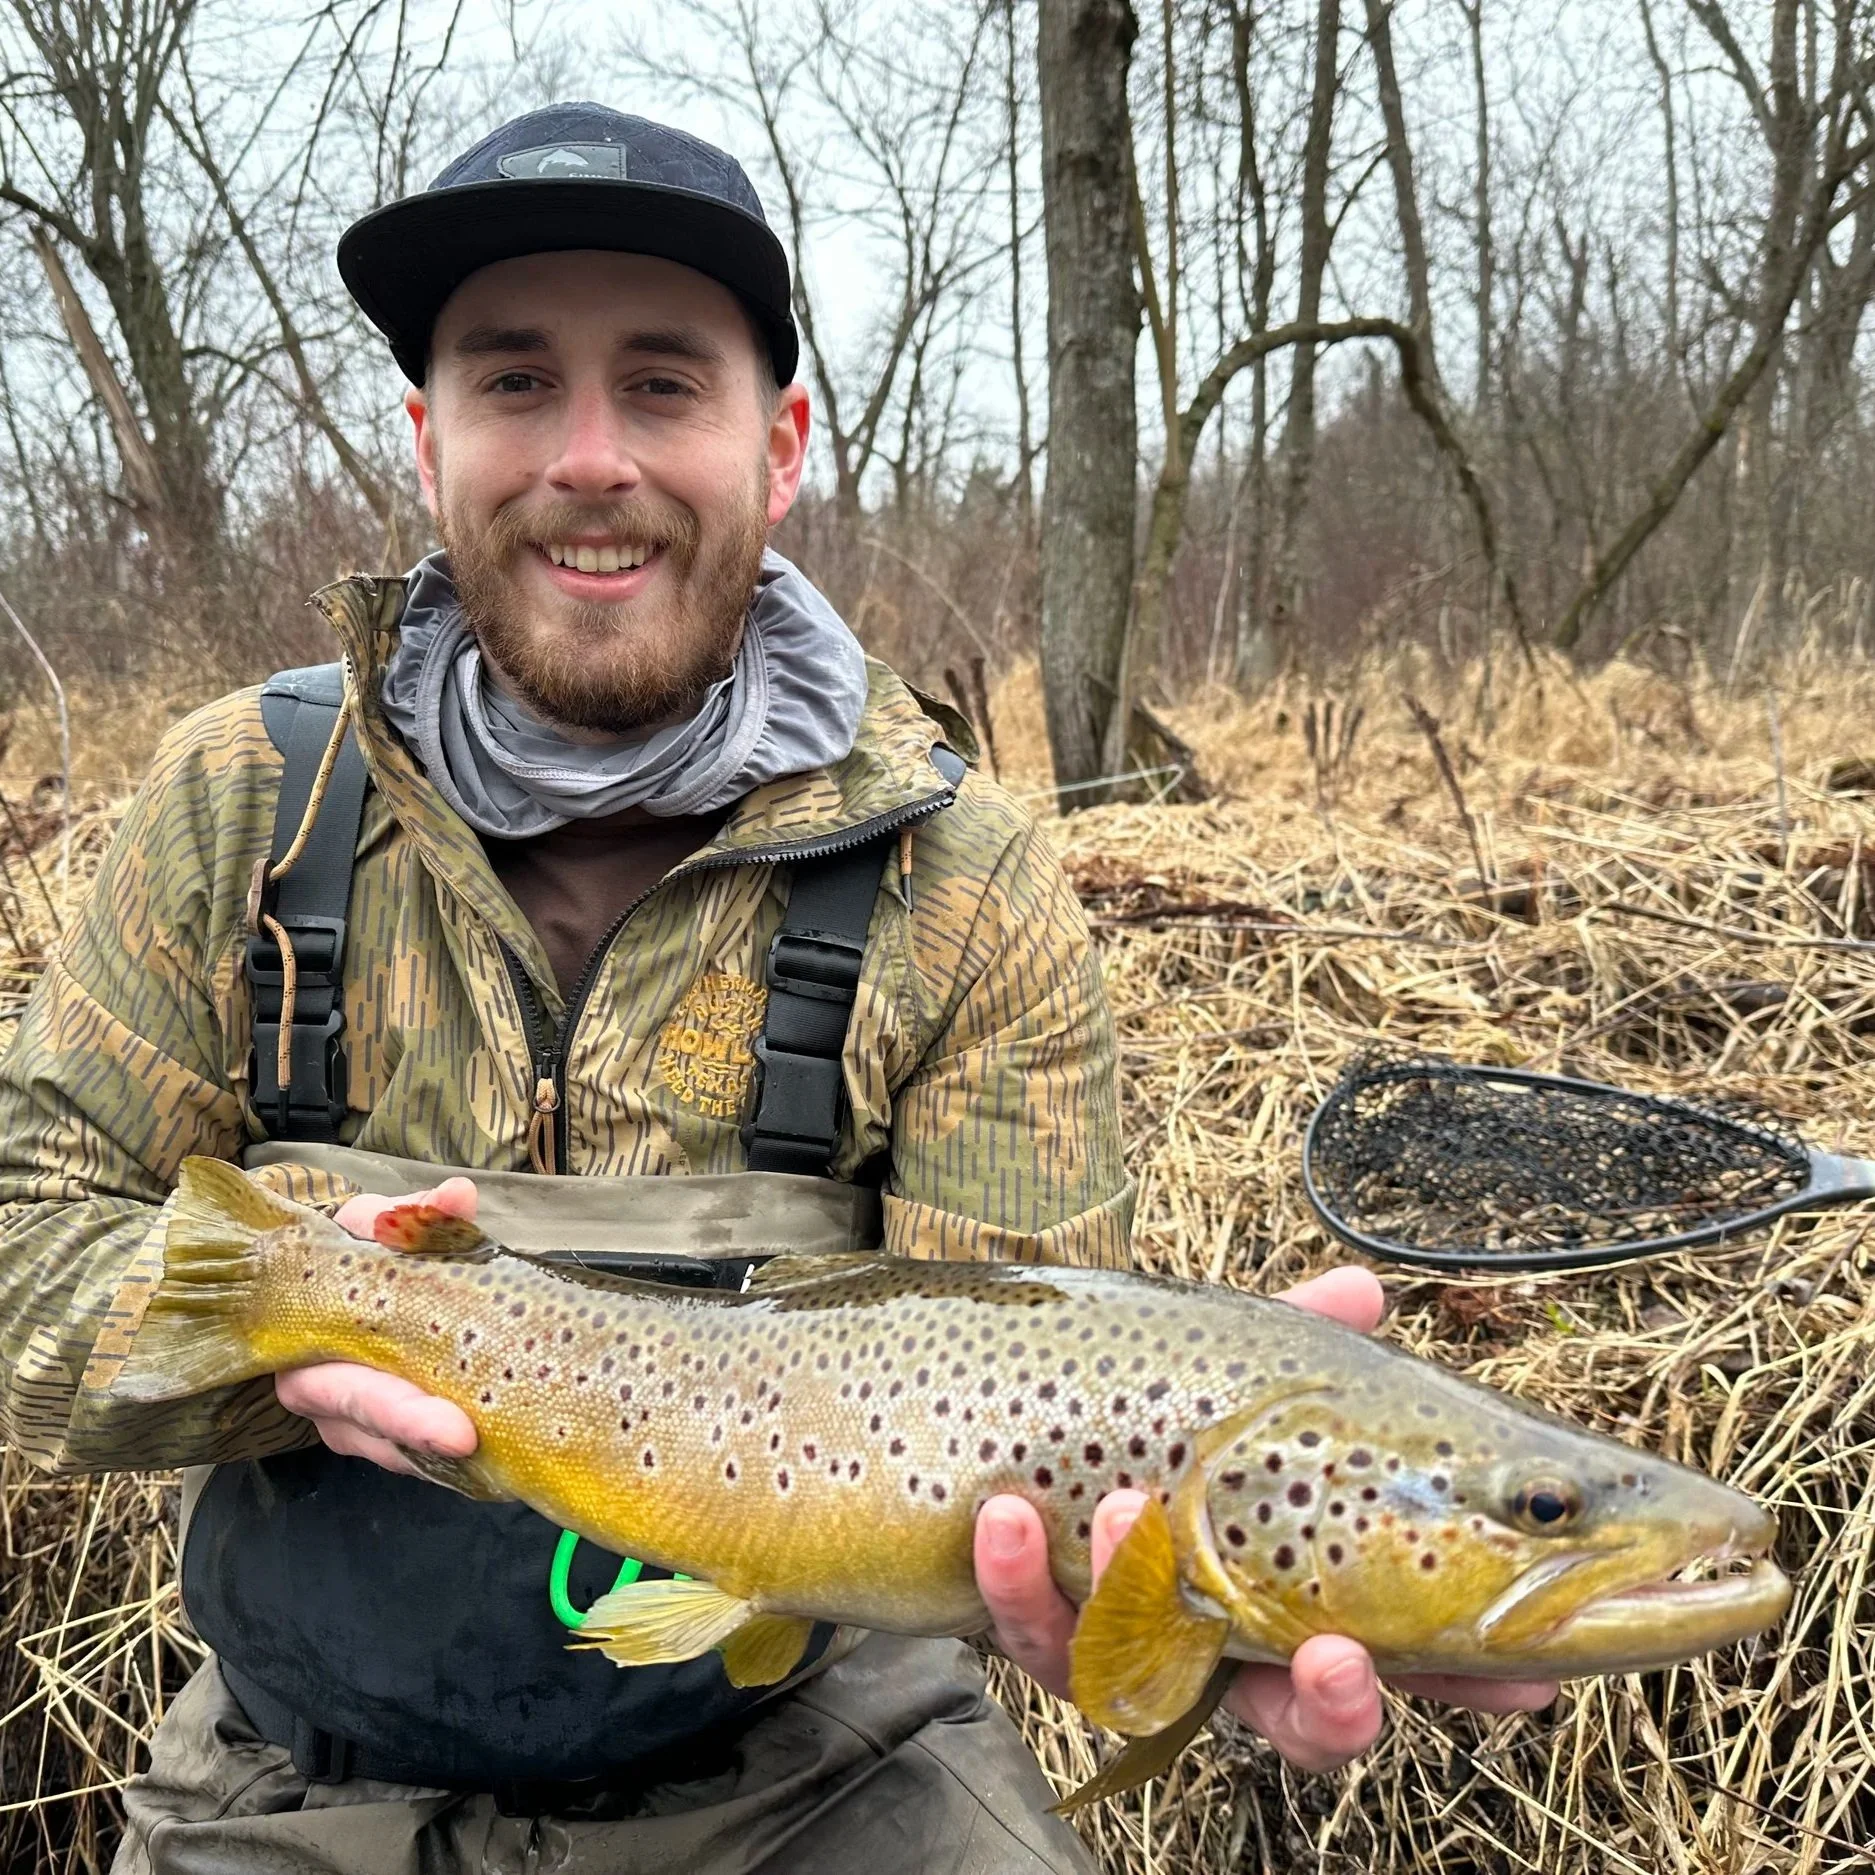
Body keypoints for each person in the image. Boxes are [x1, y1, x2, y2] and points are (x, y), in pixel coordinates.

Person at [0, 103, 1551, 1875]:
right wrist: (300, 1351)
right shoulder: (237, 806)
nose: (590, 457)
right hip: (297, 1768)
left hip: (812, 1751)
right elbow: (20, 1260)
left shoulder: (963, 880)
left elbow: (1039, 1396)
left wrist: (1177, 1605)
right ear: (427, 440)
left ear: (783, 441)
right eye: (516, 383)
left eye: (663, 385)